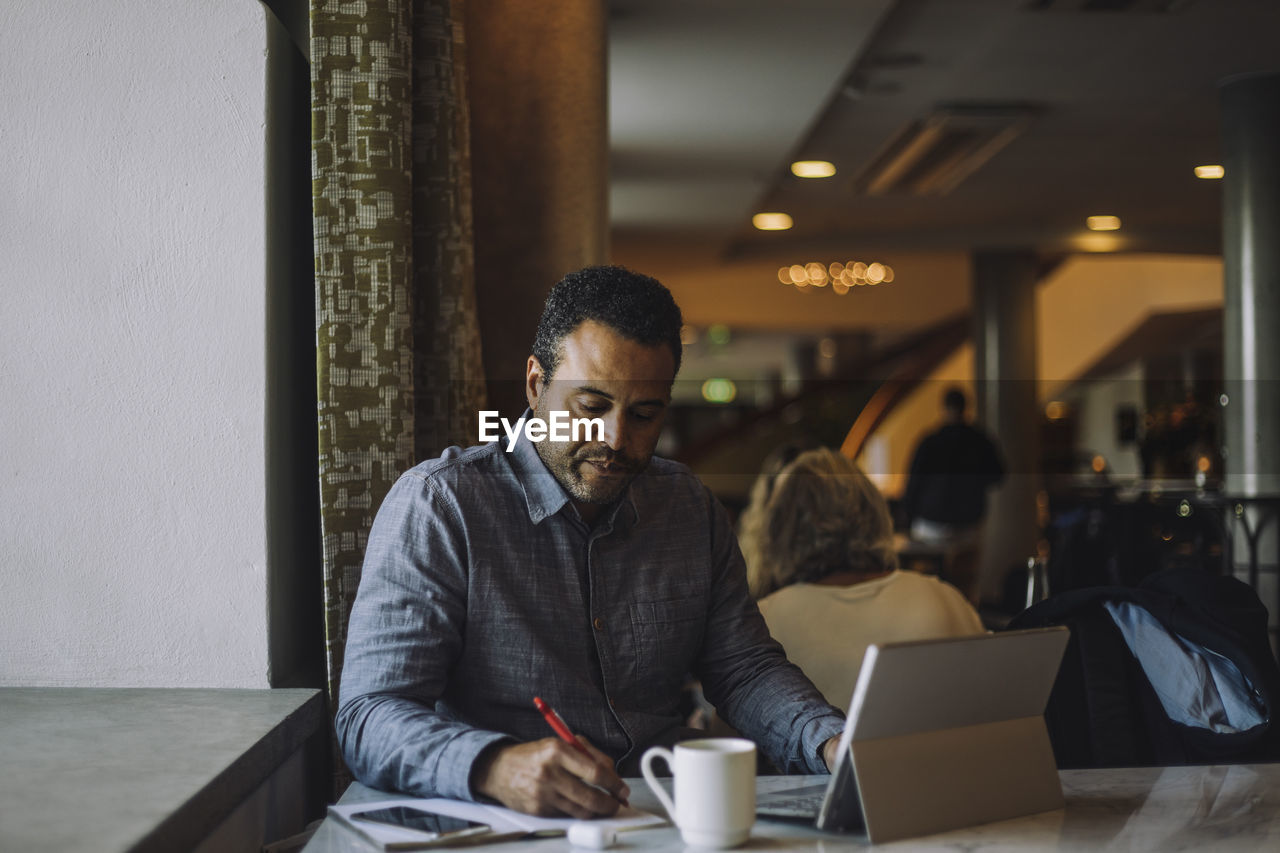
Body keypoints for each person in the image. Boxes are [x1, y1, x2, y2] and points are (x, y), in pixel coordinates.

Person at [336, 265, 846, 819]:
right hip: (510, 826)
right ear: (535, 385)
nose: (616, 440)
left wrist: (831, 743)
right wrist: (494, 766)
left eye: (644, 414)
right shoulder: (441, 506)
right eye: (591, 407)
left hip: (660, 818)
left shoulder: (688, 509)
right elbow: (369, 714)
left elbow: (744, 669)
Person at [746, 447, 984, 711]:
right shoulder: (946, 598)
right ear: (875, 511)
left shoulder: (764, 623)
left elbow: (725, 739)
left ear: (780, 528)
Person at [902, 387, 1005, 598]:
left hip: (932, 521)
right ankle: (964, 620)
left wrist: (907, 514)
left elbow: (914, 481)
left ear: (944, 408)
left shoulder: (931, 441)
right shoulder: (979, 440)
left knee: (930, 581)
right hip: (968, 521)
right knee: (964, 581)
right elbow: (998, 475)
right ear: (966, 408)